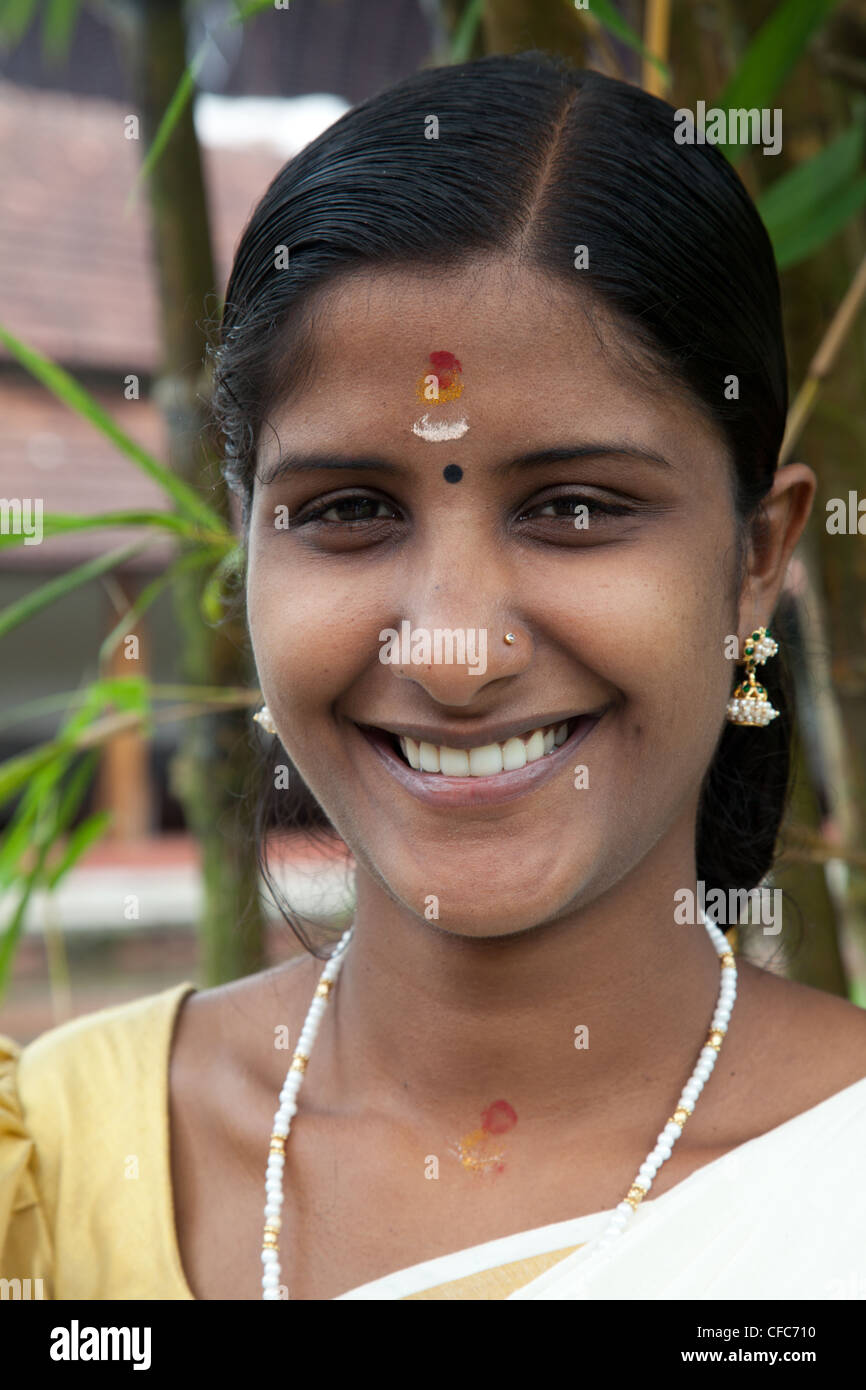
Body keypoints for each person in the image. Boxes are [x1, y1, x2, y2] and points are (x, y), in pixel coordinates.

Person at [2, 52, 865, 1302]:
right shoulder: (65, 1177)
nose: (453, 652)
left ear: (755, 555)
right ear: (243, 546)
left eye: (573, 508)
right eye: (348, 510)